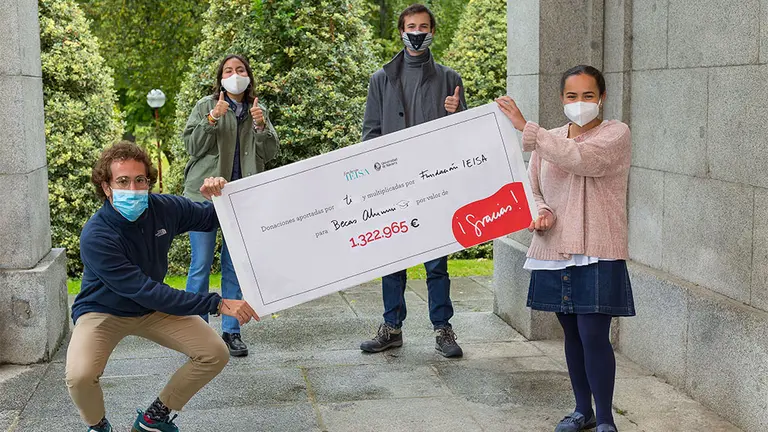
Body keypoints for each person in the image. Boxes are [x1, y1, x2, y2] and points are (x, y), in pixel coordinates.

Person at [67, 141, 258, 432]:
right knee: (79, 375)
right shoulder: (97, 236)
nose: (133, 189)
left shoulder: (163, 208)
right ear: (106, 187)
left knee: (214, 353)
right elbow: (146, 289)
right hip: (103, 311)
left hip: (151, 309)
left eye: (140, 180)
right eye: (122, 181)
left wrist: (220, 195)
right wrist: (217, 303)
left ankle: (155, 417)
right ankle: (98, 425)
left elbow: (209, 218)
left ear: (149, 181)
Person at [496, 65, 634, 432]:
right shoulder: (548, 138)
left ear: (601, 98)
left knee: (593, 334)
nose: (580, 103)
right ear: (562, 99)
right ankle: (581, 411)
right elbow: (534, 187)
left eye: (588, 95)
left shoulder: (615, 133)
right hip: (553, 249)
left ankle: (605, 419)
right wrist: (540, 212)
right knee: (571, 335)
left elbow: (582, 160)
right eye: (572, 96)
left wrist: (528, 127)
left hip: (596, 247)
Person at [360, 3, 467, 358]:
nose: (417, 31)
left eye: (423, 26)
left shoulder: (450, 78)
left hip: (434, 183)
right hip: (393, 185)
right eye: (411, 26)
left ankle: (443, 328)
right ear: (401, 31)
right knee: (393, 258)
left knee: (437, 261)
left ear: (432, 31)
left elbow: (463, 135)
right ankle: (392, 327)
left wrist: (457, 114)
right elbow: (371, 134)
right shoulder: (381, 78)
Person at [182, 54, 279, 357]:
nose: (234, 74)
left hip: (242, 200)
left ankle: (231, 331)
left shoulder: (256, 110)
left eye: (240, 70)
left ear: (249, 75)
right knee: (200, 264)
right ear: (220, 77)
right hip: (205, 198)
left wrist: (262, 127)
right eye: (228, 70)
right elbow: (191, 147)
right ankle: (194, 332)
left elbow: (270, 152)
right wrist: (212, 118)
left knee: (234, 266)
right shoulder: (205, 106)